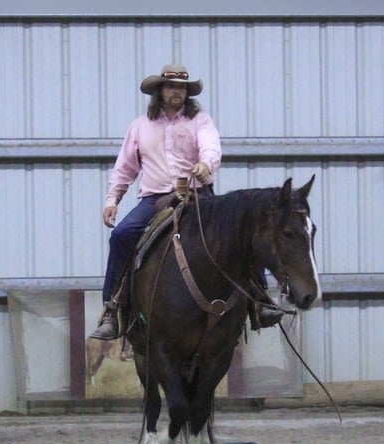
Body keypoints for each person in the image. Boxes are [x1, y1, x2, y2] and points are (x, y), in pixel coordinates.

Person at [90, 64, 282, 340]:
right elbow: (125, 168)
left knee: (239, 234)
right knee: (121, 236)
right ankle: (113, 308)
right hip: (154, 197)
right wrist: (112, 200)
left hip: (197, 196)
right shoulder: (140, 126)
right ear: (160, 91)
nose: (176, 92)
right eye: (171, 87)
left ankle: (260, 300)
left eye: (181, 88)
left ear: (187, 93)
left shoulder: (200, 121)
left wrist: (205, 164)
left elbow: (211, 146)